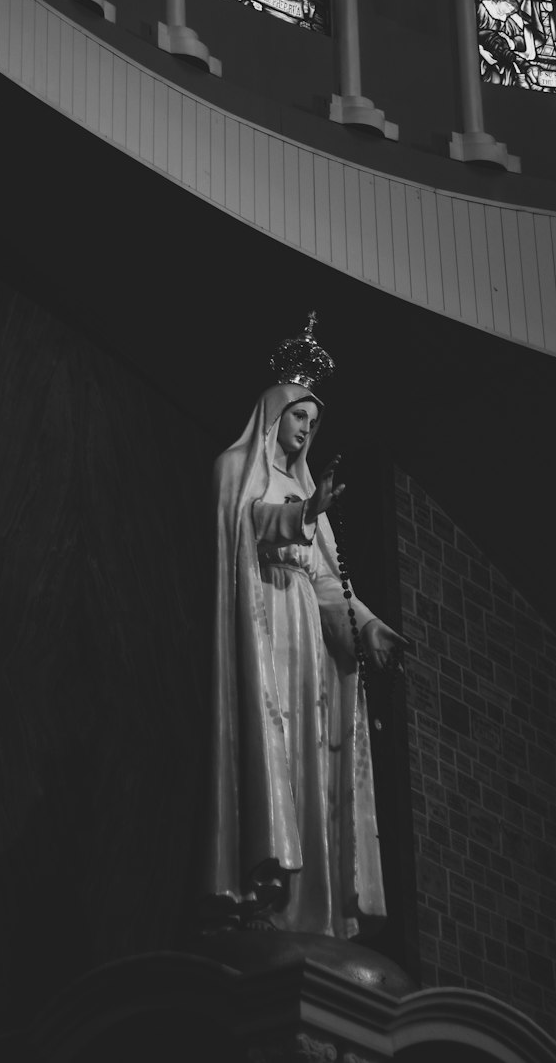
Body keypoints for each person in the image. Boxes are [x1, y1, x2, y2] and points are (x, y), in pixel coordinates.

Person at [203, 320, 406, 938]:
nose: (306, 429)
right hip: (262, 630)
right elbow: (253, 523)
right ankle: (263, 893)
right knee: (271, 753)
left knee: (306, 766)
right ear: (275, 413)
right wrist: (301, 516)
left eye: (314, 424)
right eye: (299, 417)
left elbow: (327, 581)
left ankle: (307, 909)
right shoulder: (238, 468)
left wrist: (366, 625)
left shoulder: (305, 487)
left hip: (307, 645)